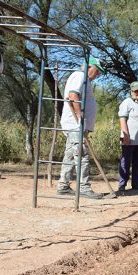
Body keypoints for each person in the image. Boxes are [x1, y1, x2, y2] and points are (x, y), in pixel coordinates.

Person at [57, 56, 104, 199]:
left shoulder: (86, 80)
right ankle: (84, 187)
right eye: (97, 71)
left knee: (70, 156)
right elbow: (73, 96)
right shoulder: (79, 76)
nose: (98, 74)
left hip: (77, 125)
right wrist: (80, 118)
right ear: (89, 66)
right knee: (82, 155)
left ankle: (63, 186)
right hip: (75, 124)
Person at [117, 81, 138, 192]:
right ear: (131, 91)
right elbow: (122, 119)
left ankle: (136, 184)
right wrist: (126, 135)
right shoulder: (126, 102)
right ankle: (122, 185)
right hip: (129, 137)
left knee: (137, 162)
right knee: (125, 161)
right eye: (136, 91)